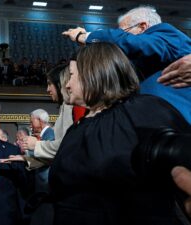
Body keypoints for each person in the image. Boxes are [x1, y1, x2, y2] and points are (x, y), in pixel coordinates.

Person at [49, 42, 191, 225]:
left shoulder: (144, 111)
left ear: (94, 72)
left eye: (72, 75)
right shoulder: (77, 128)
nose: (67, 85)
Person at [62, 5, 191, 124]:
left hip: (177, 124)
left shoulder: (167, 34)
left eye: (123, 31)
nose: (120, 37)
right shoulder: (146, 56)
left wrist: (87, 36)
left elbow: (132, 43)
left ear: (142, 27)